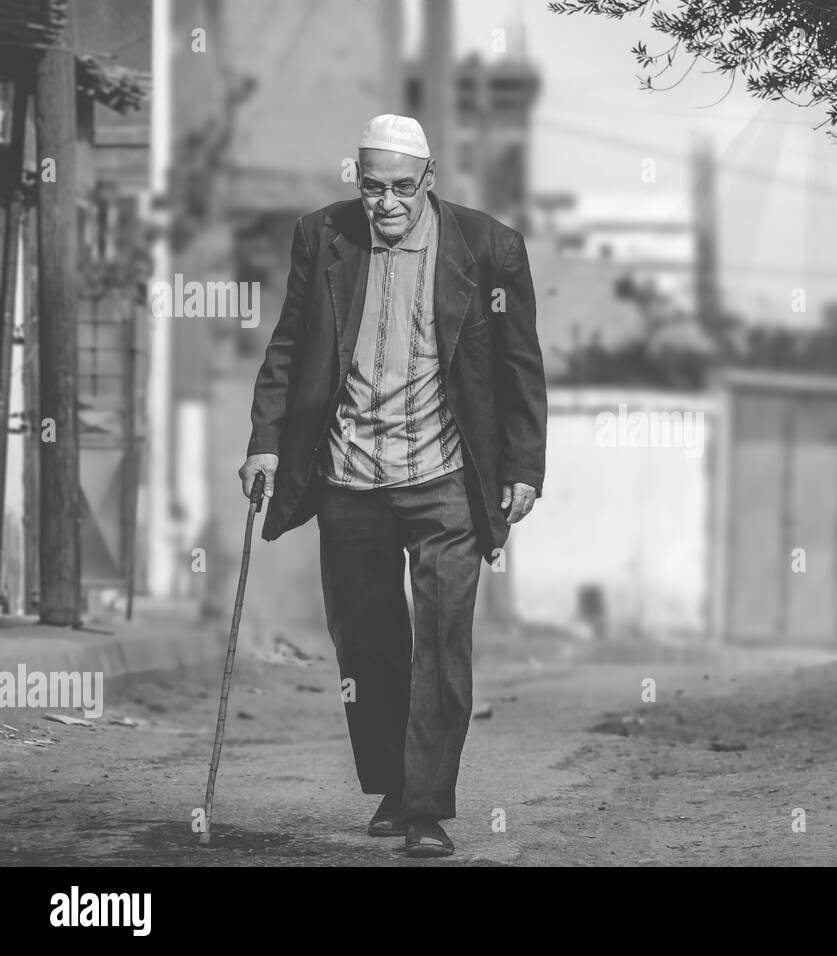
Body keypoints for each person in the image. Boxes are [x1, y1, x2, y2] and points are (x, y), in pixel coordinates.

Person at [238, 114, 547, 858]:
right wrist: (266, 443)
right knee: (367, 641)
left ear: (429, 181)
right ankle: (391, 785)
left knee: (442, 643)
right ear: (357, 180)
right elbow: (290, 341)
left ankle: (426, 808)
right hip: (349, 473)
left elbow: (518, 366)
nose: (385, 203)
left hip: (445, 478)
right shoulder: (324, 236)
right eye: (372, 186)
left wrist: (524, 468)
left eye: (401, 188)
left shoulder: (488, 248)